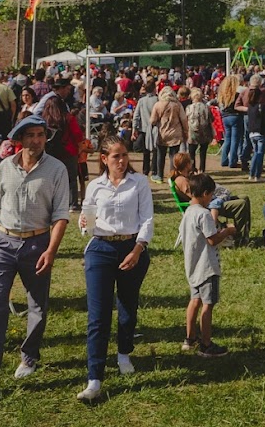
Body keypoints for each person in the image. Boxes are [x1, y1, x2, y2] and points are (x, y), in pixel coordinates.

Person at [0, 115, 70, 395]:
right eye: (31, 135)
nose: (37, 140)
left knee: (37, 305)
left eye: (41, 135)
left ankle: (29, 355)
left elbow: (61, 215)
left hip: (37, 243)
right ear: (20, 139)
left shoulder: (57, 169)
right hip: (2, 241)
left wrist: (51, 250)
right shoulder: (5, 166)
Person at [76, 133, 152, 401]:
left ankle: (124, 353)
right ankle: (94, 378)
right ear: (104, 159)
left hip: (132, 247)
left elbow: (146, 219)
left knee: (127, 309)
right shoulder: (95, 186)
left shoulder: (139, 182)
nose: (121, 160)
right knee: (98, 316)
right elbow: (87, 216)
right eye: (115, 156)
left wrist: (137, 249)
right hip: (100, 249)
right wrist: (84, 224)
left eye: (124, 154)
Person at [180, 172, 235, 361]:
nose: (211, 198)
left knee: (194, 300)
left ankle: (189, 338)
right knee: (207, 305)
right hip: (207, 267)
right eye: (211, 195)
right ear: (204, 194)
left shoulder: (188, 212)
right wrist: (227, 231)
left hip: (192, 266)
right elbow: (212, 240)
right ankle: (206, 344)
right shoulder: (203, 214)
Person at [171, 153, 252, 245]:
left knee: (244, 197)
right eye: (190, 161)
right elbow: (197, 196)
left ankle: (245, 233)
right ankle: (239, 237)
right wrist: (201, 180)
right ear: (187, 164)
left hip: (211, 200)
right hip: (208, 205)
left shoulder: (186, 177)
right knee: (241, 204)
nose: (192, 163)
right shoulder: (181, 180)